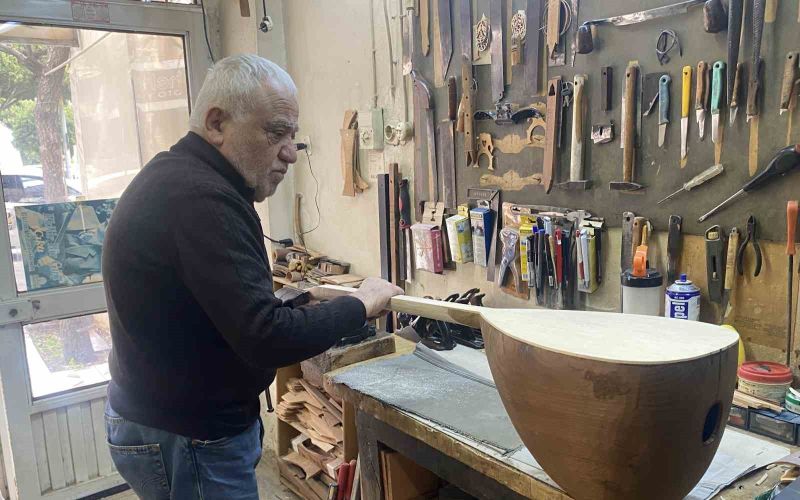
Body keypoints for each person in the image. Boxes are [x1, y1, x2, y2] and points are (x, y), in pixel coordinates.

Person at [101, 54, 403, 499]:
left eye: (293, 136)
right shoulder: (202, 198)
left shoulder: (179, 177)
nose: (290, 153)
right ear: (217, 123)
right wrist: (360, 304)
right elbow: (266, 338)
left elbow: (214, 309)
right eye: (276, 132)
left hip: (165, 419)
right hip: (189, 436)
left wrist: (301, 301)